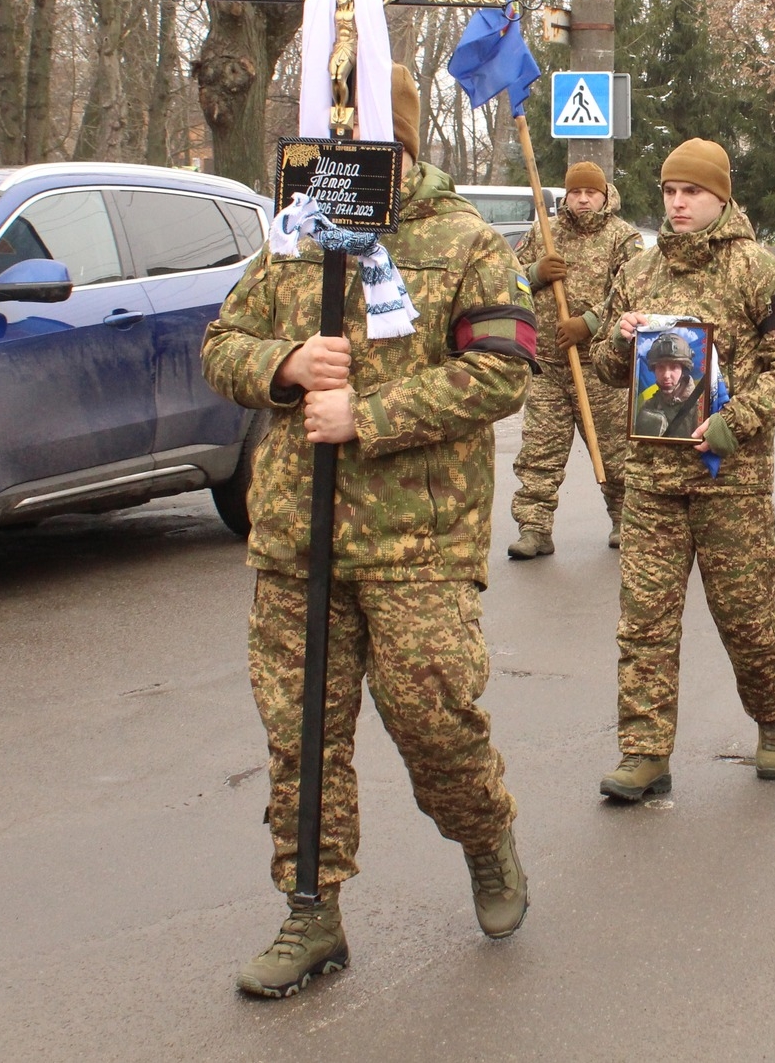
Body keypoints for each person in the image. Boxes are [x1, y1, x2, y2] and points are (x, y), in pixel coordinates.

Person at [202, 63, 536, 998]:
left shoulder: (463, 240)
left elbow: (506, 368)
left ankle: (484, 834)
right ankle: (312, 909)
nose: (342, 154)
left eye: (360, 137)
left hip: (417, 538)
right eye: (329, 137)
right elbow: (220, 344)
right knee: (301, 731)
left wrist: (371, 414)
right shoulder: (295, 235)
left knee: (433, 714)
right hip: (295, 534)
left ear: (402, 139)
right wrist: (284, 362)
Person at [589, 139, 775, 801]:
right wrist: (618, 339)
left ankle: (774, 717)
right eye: (669, 191)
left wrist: (735, 419)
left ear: (720, 196)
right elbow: (608, 370)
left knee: (747, 617)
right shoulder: (638, 269)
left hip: (730, 481)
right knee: (644, 623)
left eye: (691, 191)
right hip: (653, 482)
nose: (678, 202)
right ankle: (645, 752)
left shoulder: (761, 269)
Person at [507, 161, 642, 559]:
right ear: (566, 195)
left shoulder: (624, 238)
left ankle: (623, 519)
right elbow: (506, 280)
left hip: (600, 367)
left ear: (604, 194)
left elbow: (634, 292)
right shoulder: (544, 233)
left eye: (591, 192)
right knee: (538, 452)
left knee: (616, 451)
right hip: (548, 365)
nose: (583, 199)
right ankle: (534, 528)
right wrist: (534, 272)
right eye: (576, 192)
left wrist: (590, 323)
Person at [633, 330, 705, 438]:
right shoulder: (648, 406)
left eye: (674, 367)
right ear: (654, 370)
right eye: (661, 367)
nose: (666, 375)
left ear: (683, 369)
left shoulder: (701, 406)